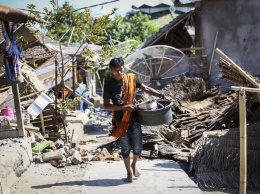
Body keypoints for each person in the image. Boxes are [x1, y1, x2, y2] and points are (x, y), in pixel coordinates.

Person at [103, 57, 174, 183]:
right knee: (125, 148)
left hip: (134, 118)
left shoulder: (131, 79)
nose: (119, 72)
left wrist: (163, 96)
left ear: (123, 67)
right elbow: (106, 105)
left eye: (121, 69)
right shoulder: (109, 85)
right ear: (111, 71)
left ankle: (134, 164)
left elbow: (146, 88)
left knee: (137, 146)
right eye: (115, 70)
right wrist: (124, 107)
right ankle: (129, 173)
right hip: (120, 120)